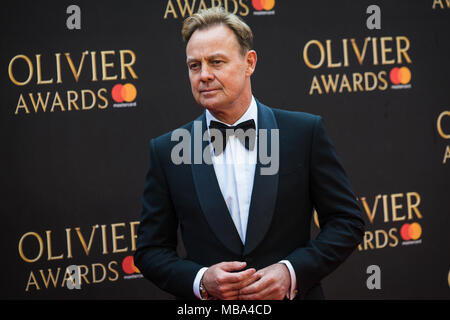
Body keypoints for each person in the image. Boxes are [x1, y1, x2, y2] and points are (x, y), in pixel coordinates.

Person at [134, 7, 365, 300]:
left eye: (216, 62)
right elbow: (150, 251)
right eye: (194, 66)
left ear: (249, 62)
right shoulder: (168, 149)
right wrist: (201, 280)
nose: (204, 75)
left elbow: (347, 221)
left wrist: (291, 271)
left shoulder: (303, 133)